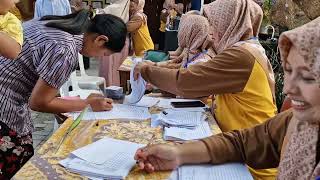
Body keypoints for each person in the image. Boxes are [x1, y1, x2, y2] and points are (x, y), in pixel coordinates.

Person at [135, 17, 320, 180]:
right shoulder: (297, 124)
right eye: (289, 71)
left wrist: (146, 70)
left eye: (308, 77)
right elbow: (241, 143)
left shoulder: (241, 55)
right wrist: (178, 153)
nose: (288, 88)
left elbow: (186, 82)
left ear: (230, 23)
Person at [0, 10, 127, 178]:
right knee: (21, 166)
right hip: (5, 104)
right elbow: (38, 102)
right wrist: (87, 104)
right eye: (104, 54)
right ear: (100, 39)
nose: (101, 57)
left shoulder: (59, 25)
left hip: (9, 95)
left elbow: (47, 83)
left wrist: (61, 105)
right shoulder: (65, 48)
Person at [97, 0, 131, 86]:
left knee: (108, 67)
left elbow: (98, 21)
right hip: (123, 40)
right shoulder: (129, 9)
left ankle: (108, 88)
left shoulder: (109, 9)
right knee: (119, 67)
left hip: (109, 40)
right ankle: (119, 88)